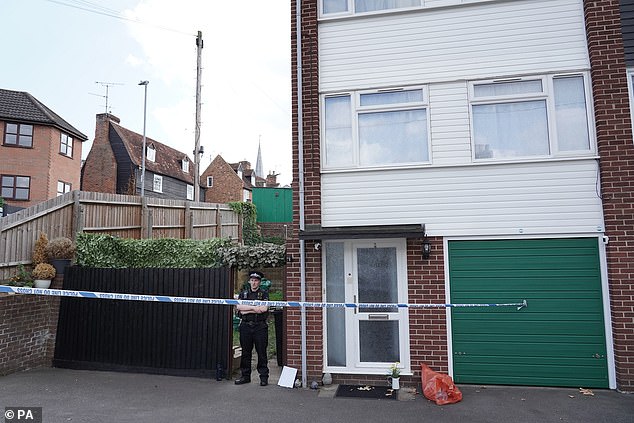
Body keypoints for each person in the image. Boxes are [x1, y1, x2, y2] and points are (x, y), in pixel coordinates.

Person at [235, 270, 269, 386]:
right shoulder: (243, 293)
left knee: (261, 352)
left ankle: (263, 377)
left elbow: (263, 309)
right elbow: (239, 307)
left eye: (256, 281)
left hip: (260, 326)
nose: (254, 283)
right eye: (252, 280)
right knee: (246, 352)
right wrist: (255, 308)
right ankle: (245, 376)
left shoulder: (264, 294)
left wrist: (247, 308)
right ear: (249, 281)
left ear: (259, 282)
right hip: (245, 326)